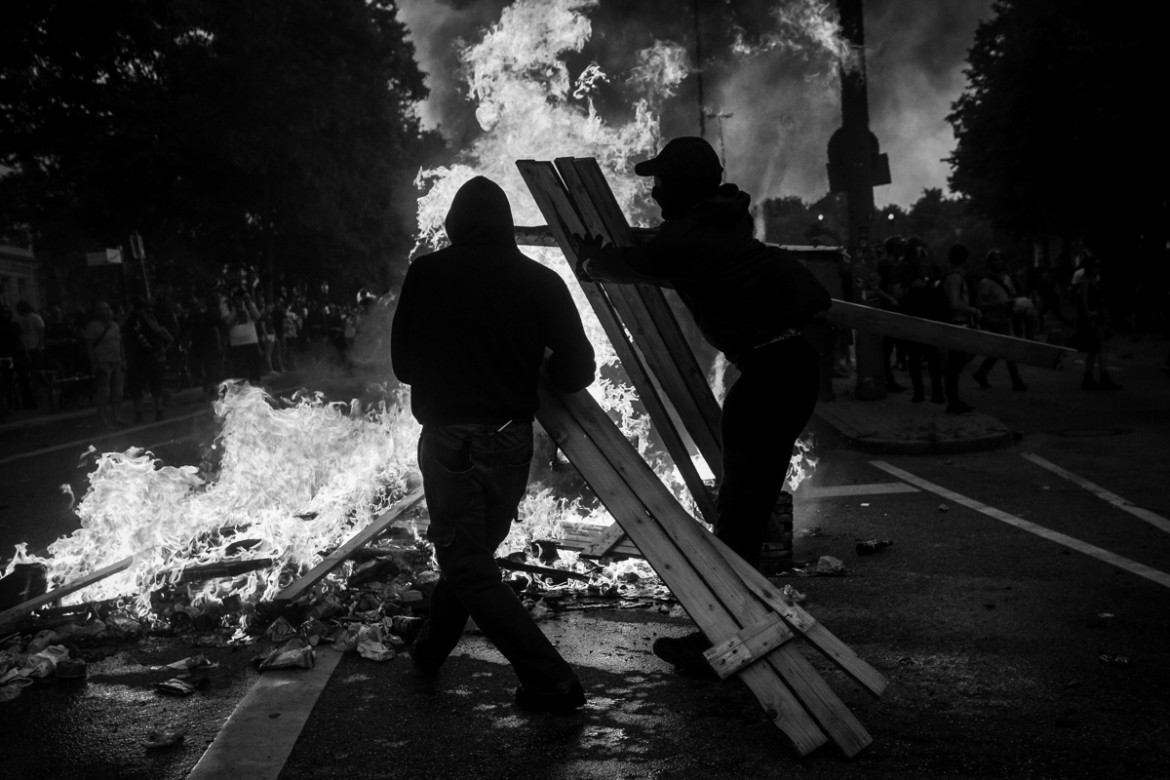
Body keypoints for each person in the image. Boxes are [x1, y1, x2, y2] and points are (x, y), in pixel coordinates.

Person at [575, 136, 831, 675]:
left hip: (770, 374)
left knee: (739, 511)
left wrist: (593, 258)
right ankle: (740, 618)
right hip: (786, 368)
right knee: (748, 507)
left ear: (684, 187)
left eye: (662, 182)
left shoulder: (687, 239)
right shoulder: (722, 222)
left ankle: (721, 632)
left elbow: (633, 263)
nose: (655, 192)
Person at [391, 175, 596, 714]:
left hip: (448, 442)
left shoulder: (427, 274)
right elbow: (579, 371)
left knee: (467, 565)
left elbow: (402, 367)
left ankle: (551, 680)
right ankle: (429, 651)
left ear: (454, 224)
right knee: (472, 559)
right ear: (507, 225)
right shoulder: (541, 281)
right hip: (509, 441)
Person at [972, 249, 1027, 391]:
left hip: (1006, 317)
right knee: (1006, 348)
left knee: (999, 349)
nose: (998, 262)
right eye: (995, 260)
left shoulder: (1007, 279)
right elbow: (980, 304)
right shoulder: (986, 282)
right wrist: (997, 305)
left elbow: (1013, 295)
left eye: (1000, 259)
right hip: (993, 319)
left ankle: (981, 373)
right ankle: (1016, 380)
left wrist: (1012, 304)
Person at [940, 244, 981, 414]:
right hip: (957, 323)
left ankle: (953, 399)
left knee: (956, 365)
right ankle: (953, 402)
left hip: (958, 323)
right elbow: (955, 303)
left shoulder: (952, 277)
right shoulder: (956, 278)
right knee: (955, 366)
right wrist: (973, 310)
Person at [122, 296, 173, 423]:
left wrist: (145, 317)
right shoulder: (128, 319)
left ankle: (159, 409)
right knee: (136, 384)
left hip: (150, 354)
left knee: (155, 383)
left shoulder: (149, 317)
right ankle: (138, 411)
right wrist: (129, 313)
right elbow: (119, 327)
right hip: (134, 355)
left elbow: (157, 329)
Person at [1076, 254, 1121, 390]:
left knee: (1093, 349)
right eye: (1095, 266)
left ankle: (1088, 377)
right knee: (1101, 347)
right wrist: (1089, 318)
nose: (1097, 269)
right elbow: (1084, 302)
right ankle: (1103, 376)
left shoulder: (1094, 281)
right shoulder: (1085, 282)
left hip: (1096, 316)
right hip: (1093, 318)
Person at [83, 300, 125, 427]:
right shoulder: (92, 326)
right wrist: (94, 363)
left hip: (116, 361)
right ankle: (103, 419)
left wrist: (123, 359)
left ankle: (117, 417)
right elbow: (89, 347)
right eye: (104, 309)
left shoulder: (114, 325)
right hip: (103, 363)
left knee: (118, 392)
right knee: (104, 393)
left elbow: (120, 343)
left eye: (108, 308)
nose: (107, 311)